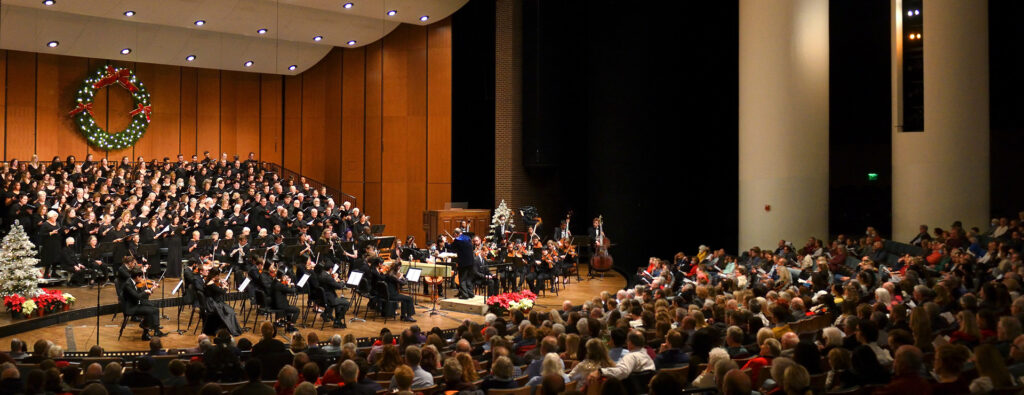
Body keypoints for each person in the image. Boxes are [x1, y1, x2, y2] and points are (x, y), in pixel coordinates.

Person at [121, 269, 165, 340]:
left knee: (155, 309)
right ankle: (145, 333)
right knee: (150, 311)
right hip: (131, 307)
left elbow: (140, 294)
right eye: (141, 277)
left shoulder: (133, 281)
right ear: (137, 277)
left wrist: (151, 289)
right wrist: (146, 291)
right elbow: (137, 296)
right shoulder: (128, 284)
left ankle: (156, 330)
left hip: (136, 302)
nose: (142, 279)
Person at [452, 228, 476, 299]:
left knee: (462, 279)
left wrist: (447, 243)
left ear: (456, 234)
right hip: (471, 261)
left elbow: (452, 248)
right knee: (468, 278)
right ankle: (470, 293)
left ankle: (464, 295)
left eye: (454, 235)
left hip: (463, 262)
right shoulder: (468, 238)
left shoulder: (457, 240)